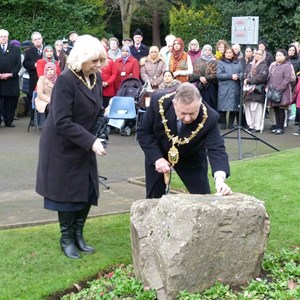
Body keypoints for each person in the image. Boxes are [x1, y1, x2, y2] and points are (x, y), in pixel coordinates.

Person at [35, 35, 107, 259]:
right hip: (62, 145)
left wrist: (101, 132)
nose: (98, 65)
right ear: (82, 57)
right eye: (94, 60)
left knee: (86, 190)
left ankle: (78, 234)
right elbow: (62, 120)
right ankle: (66, 239)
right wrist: (91, 141)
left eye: (100, 60)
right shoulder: (66, 80)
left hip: (84, 142)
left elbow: (98, 110)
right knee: (67, 194)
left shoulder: (94, 77)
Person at [137, 82, 231, 199]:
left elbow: (217, 149)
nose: (187, 118)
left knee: (202, 199)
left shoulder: (210, 117)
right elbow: (144, 132)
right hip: (159, 153)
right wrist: (157, 158)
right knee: (153, 200)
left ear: (200, 102)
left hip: (191, 157)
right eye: (182, 113)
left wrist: (220, 180)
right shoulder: (158, 102)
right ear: (174, 104)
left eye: (192, 113)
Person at [267, 49, 293, 135]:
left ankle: (281, 128)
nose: (278, 57)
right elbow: (270, 77)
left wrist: (279, 88)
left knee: (281, 109)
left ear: (285, 56)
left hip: (283, 92)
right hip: (273, 91)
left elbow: (287, 79)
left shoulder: (287, 65)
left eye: (280, 55)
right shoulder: (274, 65)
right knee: (275, 109)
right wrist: (268, 87)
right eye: (277, 55)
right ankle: (277, 126)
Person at [217, 47, 242, 129]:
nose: (228, 54)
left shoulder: (238, 62)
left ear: (233, 53)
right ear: (224, 54)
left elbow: (242, 73)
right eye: (227, 52)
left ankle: (231, 124)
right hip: (224, 88)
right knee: (223, 107)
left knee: (234, 107)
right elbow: (219, 75)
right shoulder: (221, 62)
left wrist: (238, 76)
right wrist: (230, 76)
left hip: (235, 87)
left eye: (230, 52)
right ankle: (223, 124)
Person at [0, 29, 21, 127]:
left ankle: (9, 120)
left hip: (11, 79)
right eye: (1, 36)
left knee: (11, 101)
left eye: (5, 36)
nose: (3, 38)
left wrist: (10, 74)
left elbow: (18, 64)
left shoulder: (15, 48)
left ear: (8, 37)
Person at [243, 49, 269, 132]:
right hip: (248, 90)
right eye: (256, 53)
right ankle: (250, 125)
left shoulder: (264, 65)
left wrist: (249, 80)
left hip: (257, 90)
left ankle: (257, 126)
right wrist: (245, 79)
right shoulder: (250, 64)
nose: (257, 55)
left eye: (260, 54)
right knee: (248, 107)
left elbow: (261, 77)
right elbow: (245, 74)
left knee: (257, 109)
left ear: (263, 55)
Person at [23, 31, 44, 125]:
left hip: (47, 79)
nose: (38, 41)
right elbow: (25, 63)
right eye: (35, 39)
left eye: (39, 39)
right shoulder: (29, 51)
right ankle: (33, 119)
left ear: (42, 39)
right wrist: (34, 65)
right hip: (34, 78)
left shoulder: (48, 49)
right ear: (32, 41)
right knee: (33, 97)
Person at [190, 44, 218, 110]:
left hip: (212, 86)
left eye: (209, 50)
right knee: (201, 105)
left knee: (212, 105)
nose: (207, 51)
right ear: (203, 51)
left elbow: (216, 74)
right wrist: (200, 78)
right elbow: (194, 73)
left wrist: (206, 78)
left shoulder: (215, 61)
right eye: (206, 50)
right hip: (200, 86)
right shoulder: (198, 60)